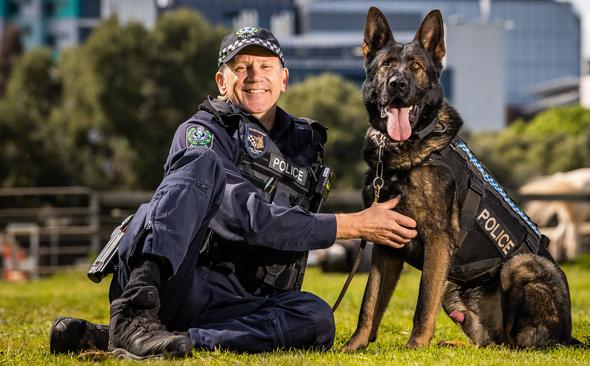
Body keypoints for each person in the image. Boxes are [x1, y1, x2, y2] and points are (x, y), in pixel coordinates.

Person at [49, 27, 417, 359]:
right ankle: (134, 319)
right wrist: (355, 225)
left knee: (316, 319)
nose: (255, 76)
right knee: (201, 163)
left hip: (241, 301)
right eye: (241, 67)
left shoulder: (304, 145)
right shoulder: (201, 130)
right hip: (179, 281)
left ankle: (175, 341)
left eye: (266, 66)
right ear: (221, 81)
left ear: (284, 79)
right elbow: (247, 218)